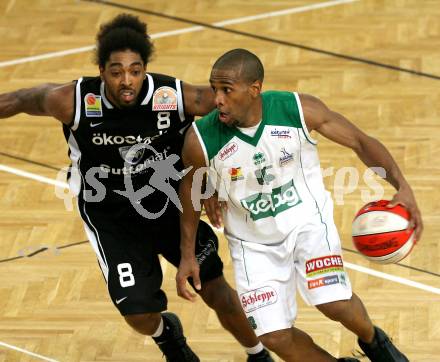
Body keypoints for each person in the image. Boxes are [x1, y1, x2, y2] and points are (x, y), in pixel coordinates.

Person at [0, 17, 274, 362]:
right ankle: (167, 335)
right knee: (139, 315)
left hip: (169, 207)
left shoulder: (172, 96)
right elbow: (18, 100)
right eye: (116, 72)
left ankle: (258, 353)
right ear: (101, 71)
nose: (126, 80)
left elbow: (234, 110)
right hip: (111, 217)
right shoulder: (71, 101)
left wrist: (212, 180)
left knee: (215, 288)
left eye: (135, 70)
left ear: (145, 69)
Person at [177, 48, 423, 362]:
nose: (217, 99)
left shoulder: (296, 109)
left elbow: (360, 141)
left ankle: (374, 341)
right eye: (214, 89)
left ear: (254, 89)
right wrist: (187, 253)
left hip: (307, 223)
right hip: (252, 244)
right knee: (273, 336)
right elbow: (189, 190)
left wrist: (402, 186)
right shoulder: (201, 140)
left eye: (227, 89)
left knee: (333, 303)